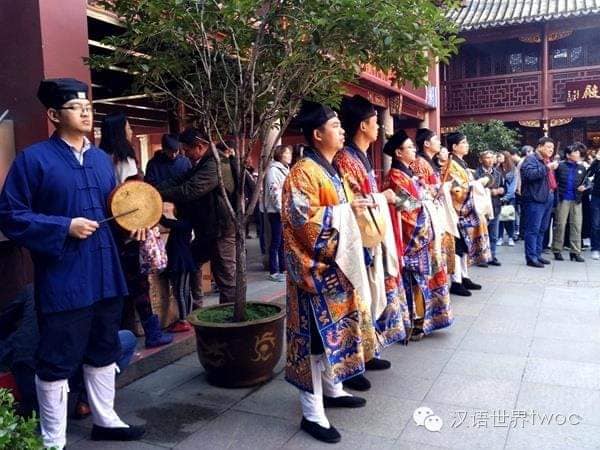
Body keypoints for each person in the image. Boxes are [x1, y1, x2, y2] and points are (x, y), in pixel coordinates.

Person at [0, 78, 144, 448]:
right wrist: (64, 226)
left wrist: (133, 227)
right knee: (57, 358)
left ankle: (105, 419)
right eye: (75, 107)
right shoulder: (34, 160)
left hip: (106, 273)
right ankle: (53, 438)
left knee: (104, 347)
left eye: (88, 107)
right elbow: (11, 215)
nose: (85, 113)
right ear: (53, 114)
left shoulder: (100, 160)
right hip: (64, 277)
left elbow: (115, 211)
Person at [283, 101, 369, 443]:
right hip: (312, 271)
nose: (342, 130)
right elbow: (303, 220)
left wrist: (353, 209)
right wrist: (347, 213)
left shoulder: (331, 169)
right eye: (335, 126)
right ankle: (312, 413)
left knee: (333, 334)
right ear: (317, 135)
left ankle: (333, 389)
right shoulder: (302, 171)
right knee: (314, 341)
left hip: (336, 265)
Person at [334, 95, 408, 390]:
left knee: (370, 296)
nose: (379, 128)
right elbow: (354, 202)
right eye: (376, 122)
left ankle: (368, 350)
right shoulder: (345, 159)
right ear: (363, 125)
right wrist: (382, 198)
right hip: (356, 238)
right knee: (357, 299)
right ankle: (351, 366)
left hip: (371, 234)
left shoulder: (359, 157)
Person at [100, 113, 173, 348]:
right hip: (130, 231)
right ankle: (152, 333)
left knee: (116, 284)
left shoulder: (100, 159)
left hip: (108, 231)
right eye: (128, 127)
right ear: (120, 131)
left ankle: (117, 336)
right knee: (139, 283)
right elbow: (134, 196)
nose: (131, 131)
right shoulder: (126, 159)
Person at [384, 130, 453, 341]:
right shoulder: (396, 176)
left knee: (424, 279)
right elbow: (406, 211)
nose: (414, 150)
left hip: (424, 234)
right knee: (413, 281)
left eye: (414, 147)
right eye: (410, 147)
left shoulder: (408, 175)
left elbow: (415, 201)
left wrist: (426, 194)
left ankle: (425, 320)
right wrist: (425, 202)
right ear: (398, 153)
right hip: (413, 238)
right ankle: (415, 322)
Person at [157, 128, 237, 304]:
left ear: (199, 146)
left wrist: (159, 195)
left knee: (226, 277)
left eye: (187, 150)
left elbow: (190, 189)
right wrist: (155, 189)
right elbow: (183, 178)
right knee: (193, 261)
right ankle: (198, 304)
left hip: (222, 229)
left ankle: (230, 315)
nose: (184, 154)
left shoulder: (215, 163)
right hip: (209, 228)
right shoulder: (205, 161)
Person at [144, 134, 197, 332]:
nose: (174, 155)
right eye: (171, 151)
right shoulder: (154, 164)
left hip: (177, 224)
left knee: (182, 288)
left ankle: (185, 317)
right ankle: (183, 316)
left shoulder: (184, 162)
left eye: (177, 151)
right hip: (162, 215)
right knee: (181, 287)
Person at [442, 132, 491, 296]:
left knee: (464, 246)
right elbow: (456, 189)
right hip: (456, 211)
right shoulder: (450, 165)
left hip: (465, 209)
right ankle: (456, 281)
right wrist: (476, 185)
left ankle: (464, 276)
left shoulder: (461, 163)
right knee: (458, 246)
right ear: (454, 147)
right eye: (463, 143)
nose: (466, 145)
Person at [520, 137, 557, 268]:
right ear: (540, 146)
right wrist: (547, 168)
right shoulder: (531, 159)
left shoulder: (547, 160)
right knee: (533, 229)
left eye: (552, 148)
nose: (551, 150)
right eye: (548, 147)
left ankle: (537, 254)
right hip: (535, 198)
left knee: (542, 228)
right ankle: (531, 257)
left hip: (548, 196)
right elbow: (530, 175)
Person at [552, 143, 589, 262]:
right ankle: (557, 249)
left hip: (577, 199)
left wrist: (585, 186)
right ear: (568, 155)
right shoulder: (560, 166)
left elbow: (587, 181)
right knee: (560, 224)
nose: (578, 154)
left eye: (578, 152)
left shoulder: (582, 168)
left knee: (577, 225)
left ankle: (575, 251)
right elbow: (553, 180)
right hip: (563, 198)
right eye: (575, 152)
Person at [264, 145, 291, 282]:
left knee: (282, 241)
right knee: (276, 241)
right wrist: (281, 210)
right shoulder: (273, 170)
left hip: (285, 210)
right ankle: (273, 271)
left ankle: (283, 268)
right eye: (287, 153)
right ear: (280, 155)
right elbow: (274, 191)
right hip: (276, 211)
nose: (290, 155)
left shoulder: (285, 169)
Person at [475, 151, 504, 266]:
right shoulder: (476, 173)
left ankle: (492, 256)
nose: (490, 160)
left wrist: (501, 191)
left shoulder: (498, 173)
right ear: (481, 160)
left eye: (492, 158)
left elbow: (504, 188)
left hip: (495, 206)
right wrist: (489, 191)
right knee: (481, 234)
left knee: (494, 235)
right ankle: (481, 257)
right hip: (481, 208)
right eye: (487, 158)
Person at [497, 150, 517, 246]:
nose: (498, 158)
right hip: (499, 196)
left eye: (500, 156)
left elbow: (513, 185)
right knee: (500, 218)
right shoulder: (497, 168)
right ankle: (500, 237)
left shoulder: (513, 169)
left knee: (509, 217)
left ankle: (510, 237)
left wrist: (507, 197)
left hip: (510, 197)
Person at [588, 149, 600, 260]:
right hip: (597, 196)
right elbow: (589, 174)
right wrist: (596, 161)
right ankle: (595, 248)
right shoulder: (597, 163)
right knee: (595, 224)